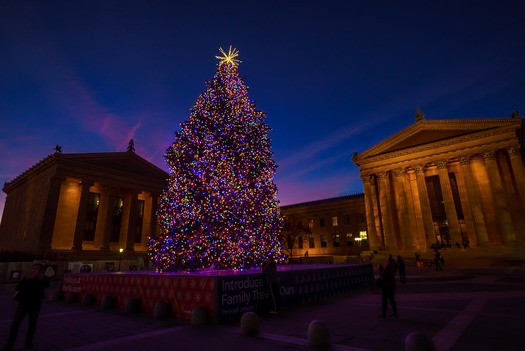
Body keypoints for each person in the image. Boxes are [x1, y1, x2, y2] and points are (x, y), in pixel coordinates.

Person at [2, 263, 50, 351]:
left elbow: (46, 285)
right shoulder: (27, 277)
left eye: (37, 269)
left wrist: (41, 277)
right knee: (15, 323)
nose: (34, 270)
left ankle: (28, 343)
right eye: (34, 268)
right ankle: (10, 344)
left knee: (32, 324)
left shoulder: (43, 278)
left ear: (40, 271)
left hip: (35, 304)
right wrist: (26, 279)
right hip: (23, 303)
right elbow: (18, 287)